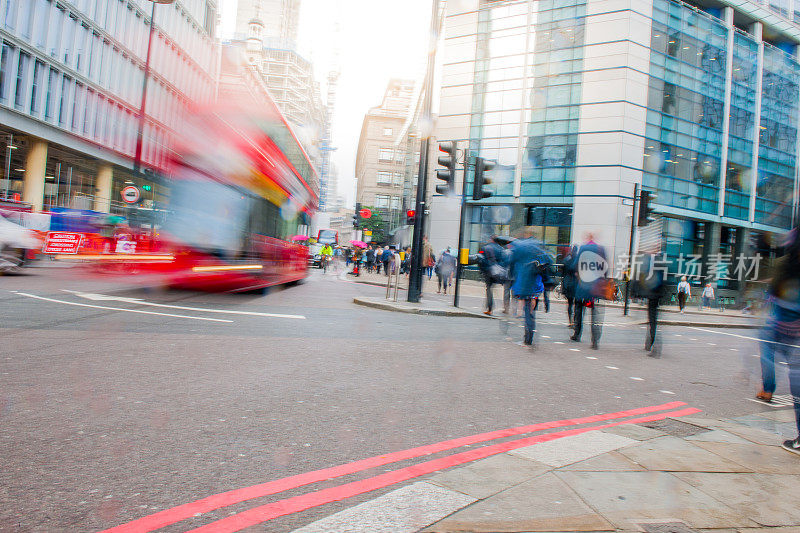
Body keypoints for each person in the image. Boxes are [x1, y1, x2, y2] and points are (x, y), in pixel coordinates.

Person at [754, 227, 800, 455]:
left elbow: (774, 291)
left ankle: (768, 389)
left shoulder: (786, 263)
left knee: (768, 350)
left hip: (783, 320)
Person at [507, 230, 551, 346]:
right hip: (536, 281)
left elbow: (511, 262)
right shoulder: (537, 246)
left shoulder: (519, 247)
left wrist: (511, 277)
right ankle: (530, 333)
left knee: (527, 308)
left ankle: (528, 337)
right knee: (531, 308)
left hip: (523, 281)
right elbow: (548, 261)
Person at [568, 233, 608, 350]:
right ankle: (595, 340)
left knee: (579, 309)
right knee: (595, 313)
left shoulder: (584, 248)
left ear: (587, 238)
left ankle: (577, 334)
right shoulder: (601, 249)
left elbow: (575, 265)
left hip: (584, 284)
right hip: (596, 286)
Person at [636, 253, 665, 355]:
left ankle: (653, 345)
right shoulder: (661, 261)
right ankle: (649, 344)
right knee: (652, 321)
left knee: (652, 321)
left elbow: (645, 277)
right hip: (656, 296)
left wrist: (640, 292)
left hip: (653, 295)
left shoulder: (652, 261)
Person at [479, 235, 507, 315]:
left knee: (489, 289)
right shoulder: (501, 249)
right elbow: (504, 261)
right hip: (497, 272)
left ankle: (490, 308)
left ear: (491, 239)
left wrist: (482, 270)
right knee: (492, 288)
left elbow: (481, 260)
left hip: (488, 271)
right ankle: (490, 306)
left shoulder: (485, 248)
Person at [561, 245, 578, 327]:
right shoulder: (578, 260)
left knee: (570, 304)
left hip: (568, 283)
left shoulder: (566, 260)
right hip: (576, 284)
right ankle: (575, 321)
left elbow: (563, 274)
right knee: (577, 305)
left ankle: (570, 321)